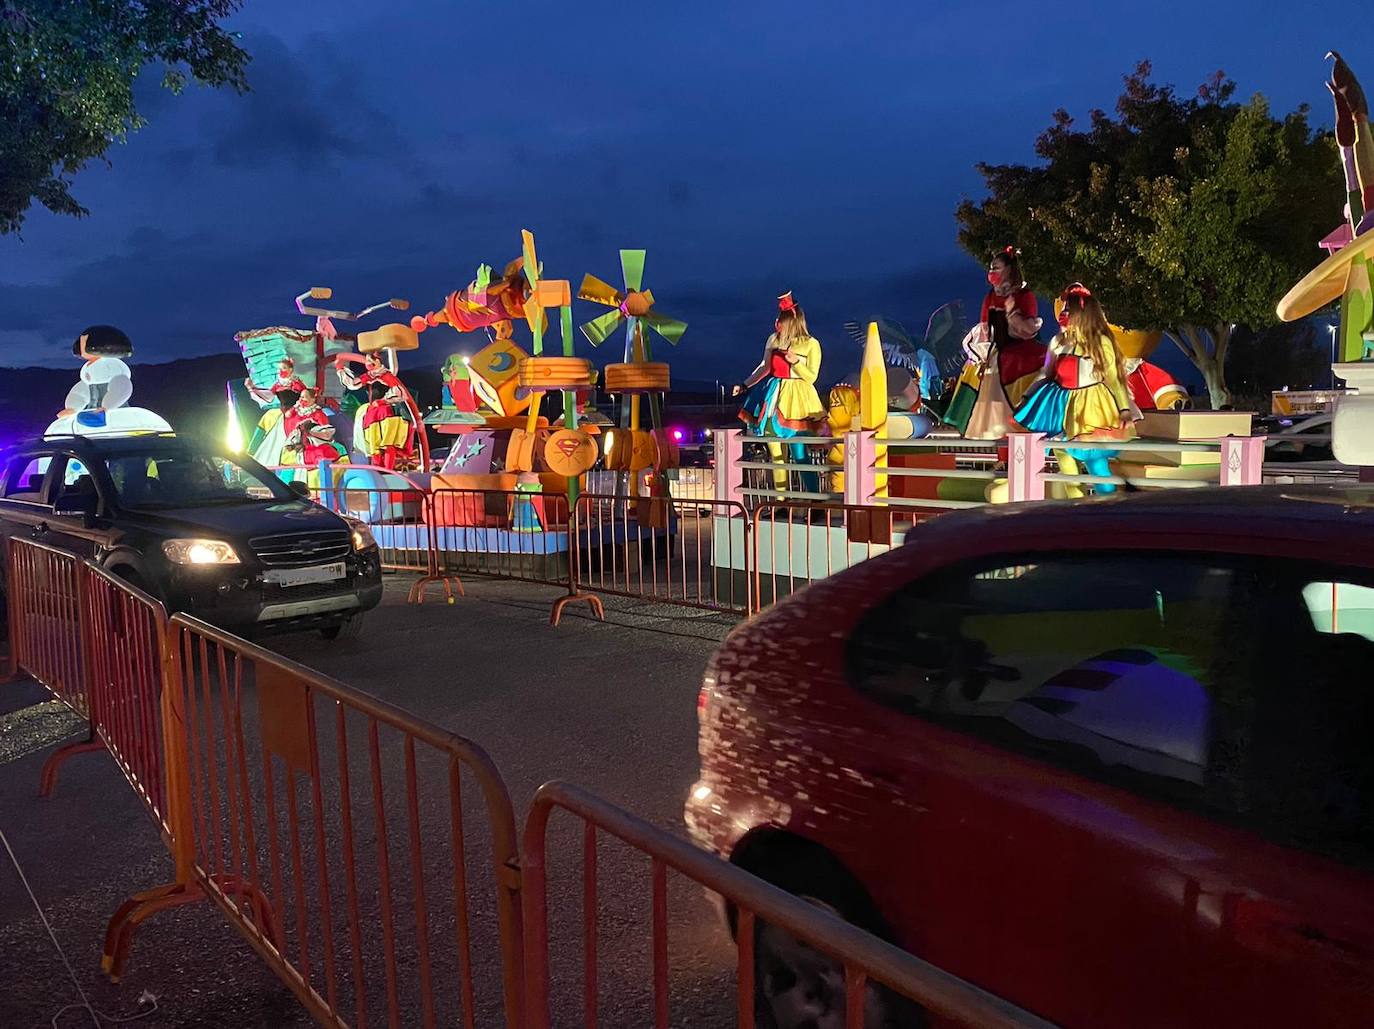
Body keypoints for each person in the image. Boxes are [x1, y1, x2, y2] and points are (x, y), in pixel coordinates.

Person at [1013, 282, 1136, 495]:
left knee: (1096, 463)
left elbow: (1114, 379)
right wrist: (1027, 397)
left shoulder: (1100, 342)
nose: (1063, 313)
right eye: (1063, 309)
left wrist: (1124, 409)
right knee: (1065, 463)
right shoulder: (1058, 342)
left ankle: (1109, 511)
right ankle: (1074, 508)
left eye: (1068, 309)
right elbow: (1046, 374)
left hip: (1092, 408)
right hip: (1061, 407)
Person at [944, 247, 1047, 439]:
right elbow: (984, 328)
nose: (991, 271)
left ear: (1010, 269)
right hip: (993, 355)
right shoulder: (990, 297)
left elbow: (1029, 329)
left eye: (996, 267)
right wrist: (980, 353)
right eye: (991, 267)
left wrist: (1013, 314)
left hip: (1019, 353)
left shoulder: (1025, 296)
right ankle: (1004, 459)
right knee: (991, 416)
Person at [735, 292, 826, 490]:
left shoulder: (811, 344)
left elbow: (812, 377)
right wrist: (745, 385)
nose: (777, 324)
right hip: (773, 397)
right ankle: (782, 502)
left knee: (800, 454)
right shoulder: (773, 340)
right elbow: (764, 367)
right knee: (776, 455)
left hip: (798, 400)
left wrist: (796, 363)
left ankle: (814, 501)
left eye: (781, 321)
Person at [282, 387, 348, 467]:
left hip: (315, 444)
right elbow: (289, 423)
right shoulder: (296, 413)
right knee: (287, 457)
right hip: (298, 444)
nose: (301, 399)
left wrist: (311, 430)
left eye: (304, 397)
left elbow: (325, 432)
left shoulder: (318, 414)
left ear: (312, 399)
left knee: (324, 454)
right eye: (300, 397)